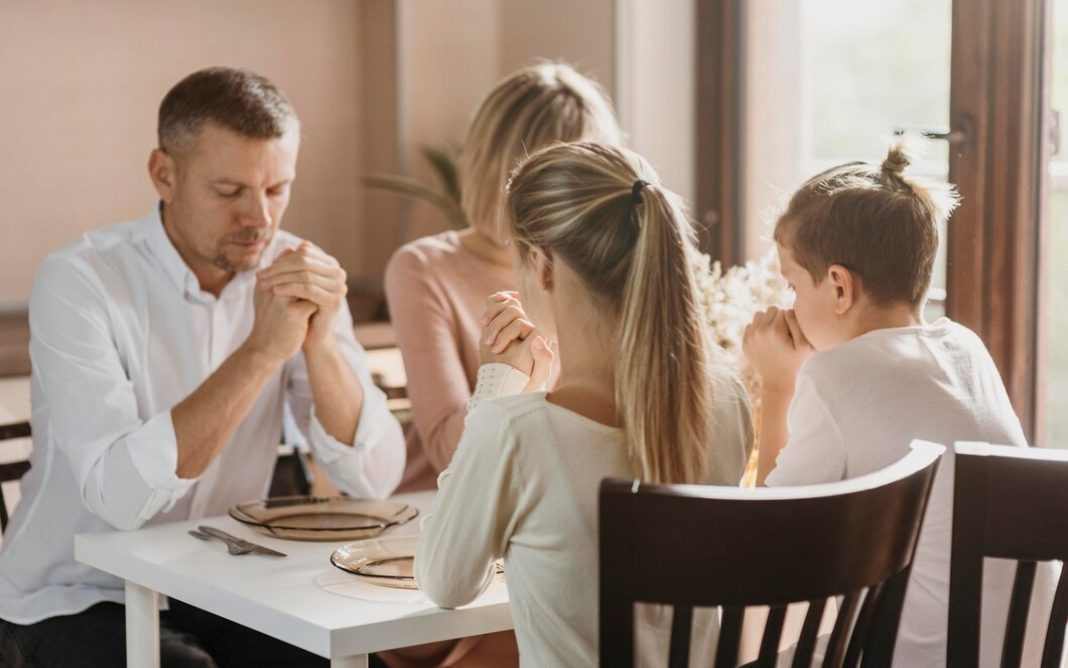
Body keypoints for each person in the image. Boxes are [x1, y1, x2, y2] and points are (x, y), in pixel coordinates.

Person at [0, 67, 405, 667]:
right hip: (72, 595)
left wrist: (320, 346)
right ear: (164, 174)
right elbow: (119, 499)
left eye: (277, 189)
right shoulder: (81, 281)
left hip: (224, 586)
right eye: (229, 190)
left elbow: (373, 479)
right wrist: (261, 352)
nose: (259, 218)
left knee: (350, 661)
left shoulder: (296, 271)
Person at [414, 142, 754, 666]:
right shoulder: (728, 403)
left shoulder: (515, 433)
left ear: (543, 266)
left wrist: (496, 388)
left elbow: (445, 581)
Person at [742, 141, 1057, 666]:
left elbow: (770, 544)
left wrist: (778, 383)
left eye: (793, 286)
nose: (790, 305)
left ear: (838, 288)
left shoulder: (834, 375)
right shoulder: (966, 349)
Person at [385, 62, 622, 493]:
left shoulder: (604, 269)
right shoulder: (422, 268)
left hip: (555, 497)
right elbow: (448, 453)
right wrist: (506, 379)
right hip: (439, 505)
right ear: (502, 172)